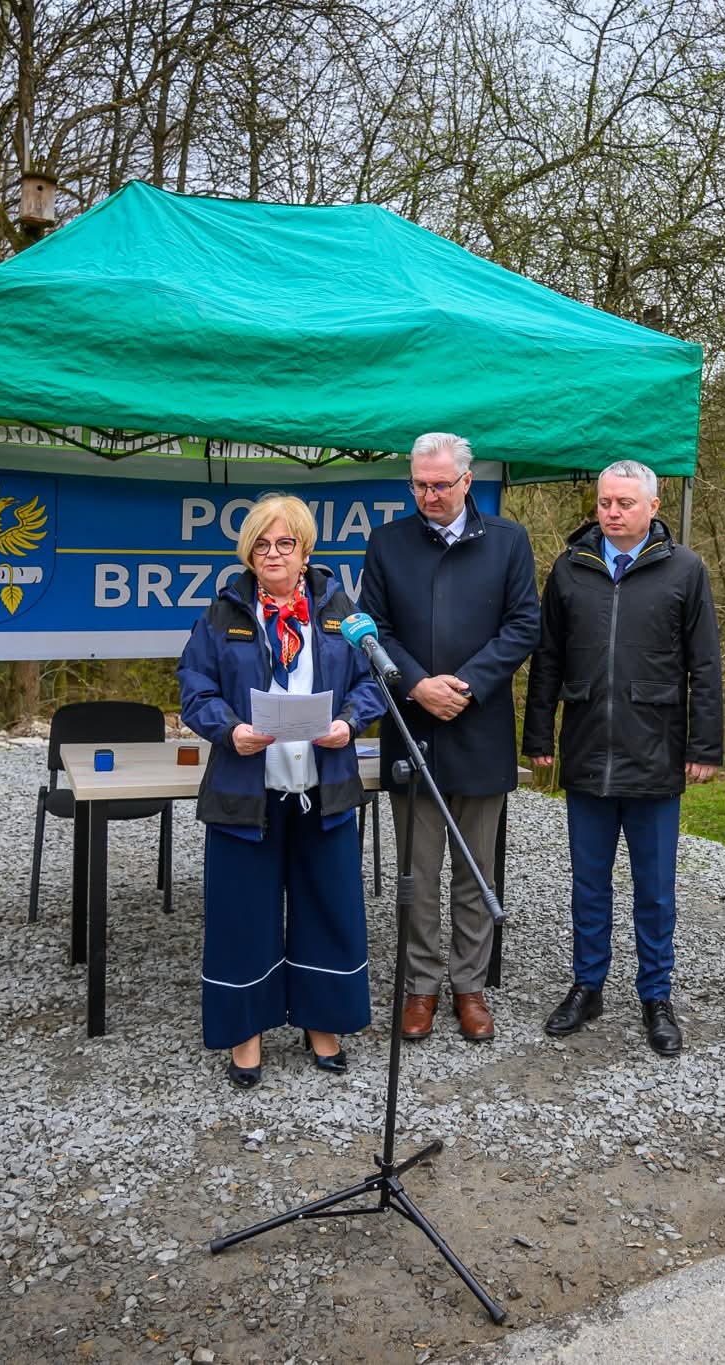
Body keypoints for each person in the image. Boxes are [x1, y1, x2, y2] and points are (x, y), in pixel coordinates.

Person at [177, 495, 387, 1088]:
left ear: (305, 551)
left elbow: (372, 681)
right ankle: (246, 1032)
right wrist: (229, 729)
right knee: (242, 914)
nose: (273, 554)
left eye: (285, 544)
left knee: (328, 907)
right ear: (249, 554)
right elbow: (194, 687)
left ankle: (323, 1023)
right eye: (262, 546)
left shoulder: (340, 609)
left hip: (324, 787)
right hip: (246, 789)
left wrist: (348, 722)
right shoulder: (222, 613)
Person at [522, 459, 724, 1057]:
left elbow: (705, 664)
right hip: (587, 748)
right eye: (605, 502)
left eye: (625, 503)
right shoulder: (570, 568)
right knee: (589, 884)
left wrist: (704, 745)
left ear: (653, 507)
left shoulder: (685, 570)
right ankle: (587, 986)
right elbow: (547, 658)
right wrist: (539, 736)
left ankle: (655, 996)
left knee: (655, 890)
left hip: (654, 751)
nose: (612, 512)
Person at [359, 432, 540, 1043]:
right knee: (417, 872)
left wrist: (466, 684)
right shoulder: (387, 543)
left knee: (475, 868)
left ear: (467, 481)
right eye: (419, 484)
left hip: (479, 725)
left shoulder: (508, 541)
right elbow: (374, 628)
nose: (429, 495)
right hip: (412, 728)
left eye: (440, 484)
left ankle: (469, 985)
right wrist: (415, 684)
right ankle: (420, 986)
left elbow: (523, 625)